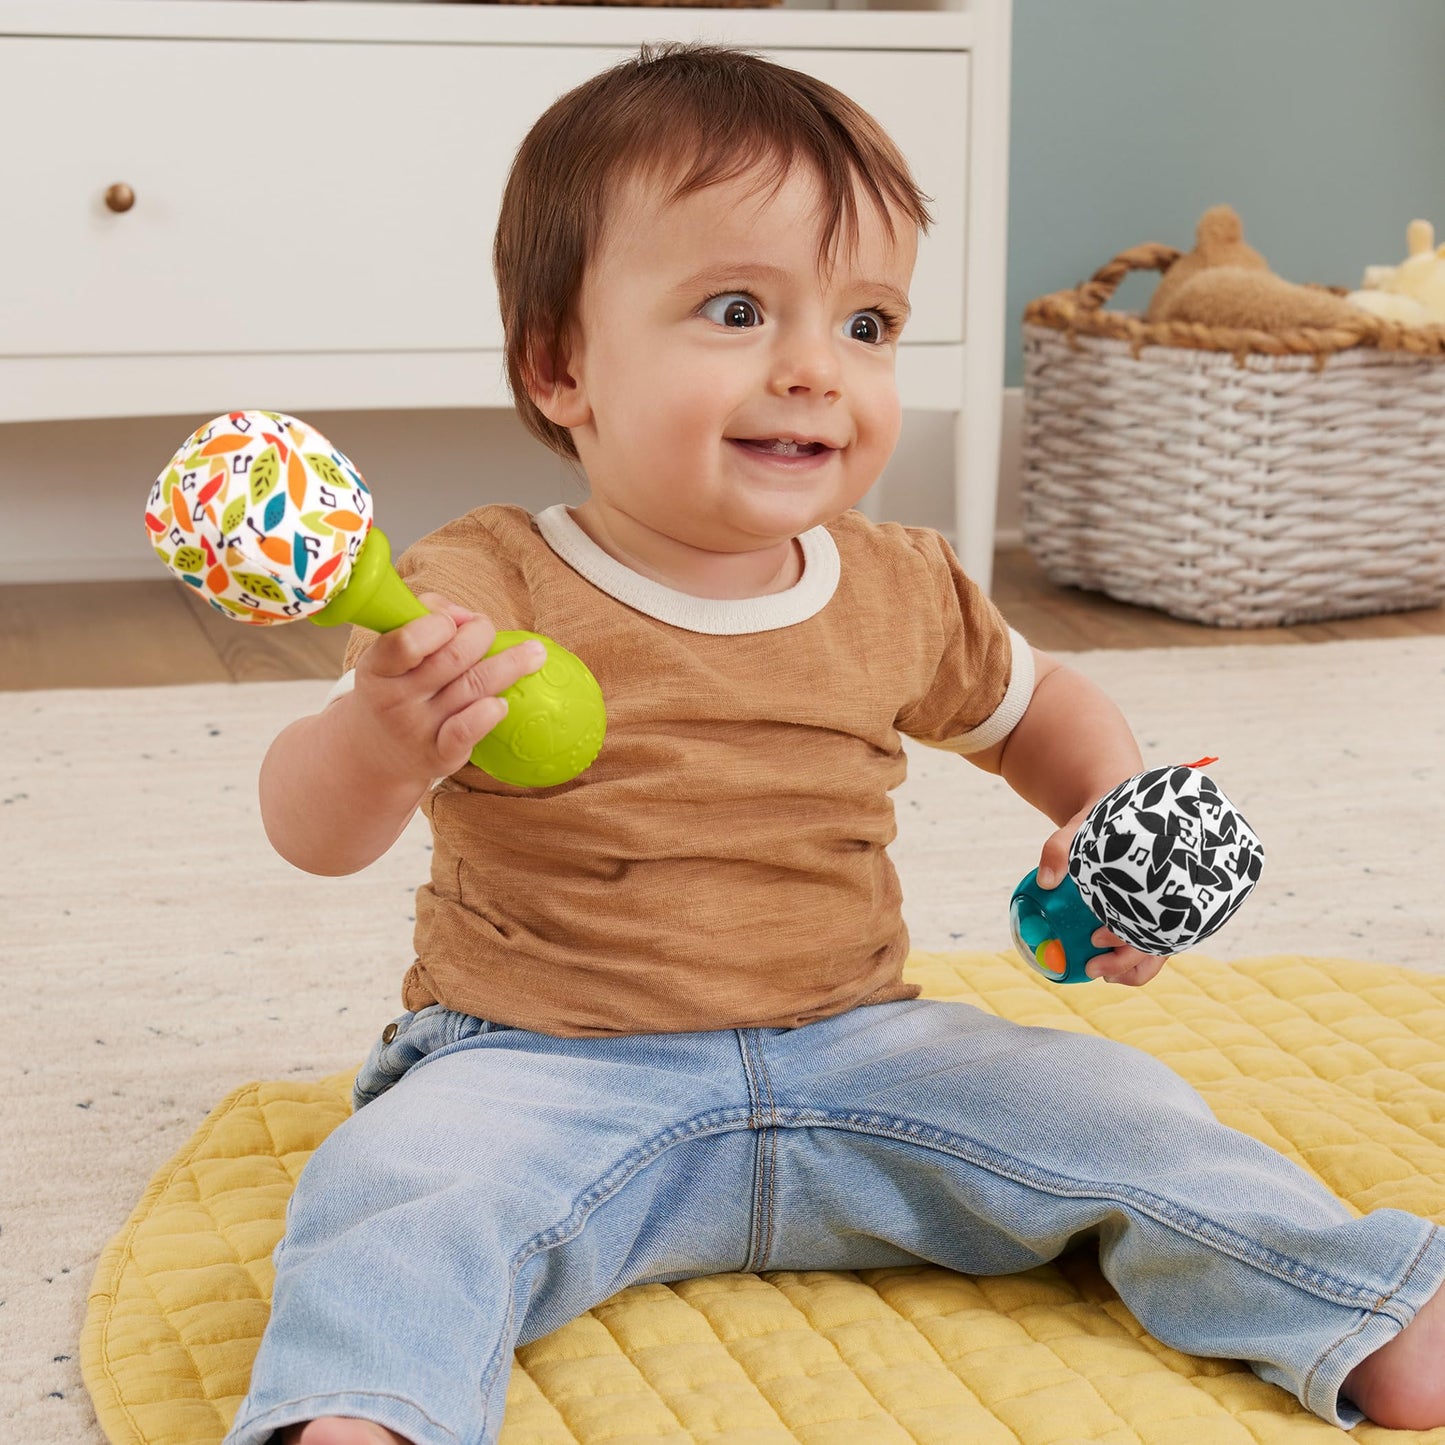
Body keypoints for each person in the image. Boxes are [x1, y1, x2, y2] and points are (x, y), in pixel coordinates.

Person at [225, 44, 1445, 1445]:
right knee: (396, 1189)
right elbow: (307, 826)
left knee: (1118, 1110)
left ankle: (1353, 1302)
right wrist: (381, 739)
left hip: (861, 1049)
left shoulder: (898, 581)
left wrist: (1106, 811)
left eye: (867, 326)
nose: (816, 370)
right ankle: (365, 1411)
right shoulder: (482, 581)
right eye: (738, 310)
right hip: (541, 1064)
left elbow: (1039, 709)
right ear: (563, 365)